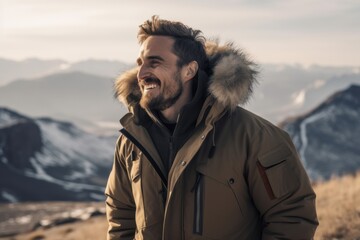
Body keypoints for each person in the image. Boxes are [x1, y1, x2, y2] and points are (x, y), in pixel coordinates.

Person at [105, 15, 318, 240]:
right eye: (140, 64)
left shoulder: (255, 137)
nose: (141, 74)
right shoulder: (132, 139)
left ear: (189, 70)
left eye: (155, 62)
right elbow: (121, 214)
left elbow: (292, 218)